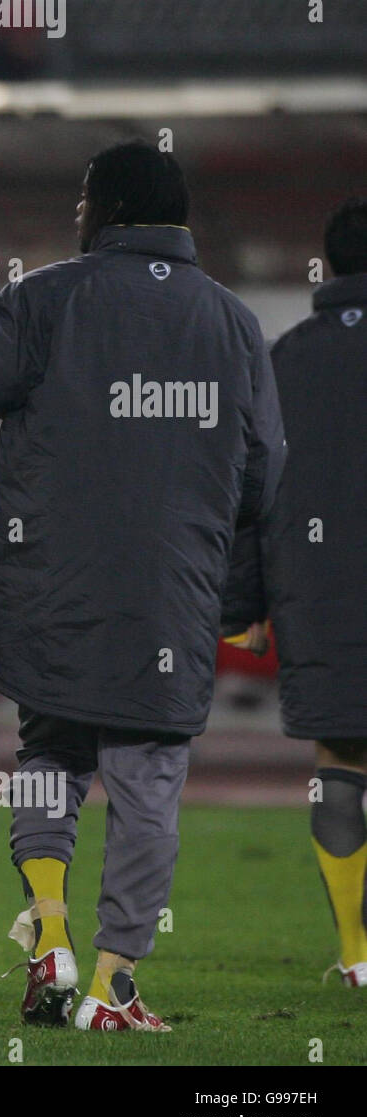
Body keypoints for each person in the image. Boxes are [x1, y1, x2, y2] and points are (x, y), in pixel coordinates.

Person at [0, 139, 286, 1031]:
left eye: (85, 194)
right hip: (168, 597)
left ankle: (48, 935)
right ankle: (113, 984)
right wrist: (238, 599)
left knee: (49, 758)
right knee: (146, 783)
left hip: (49, 590)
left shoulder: (48, 295)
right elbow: (263, 479)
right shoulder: (235, 323)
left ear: (107, 205)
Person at [223, 196, 367, 988]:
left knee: (339, 759)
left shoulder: (284, 360)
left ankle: (355, 954)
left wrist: (243, 604)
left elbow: (252, 494)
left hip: (319, 593)